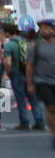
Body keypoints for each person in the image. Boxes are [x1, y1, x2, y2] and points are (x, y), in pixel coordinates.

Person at [1, 23, 43, 130]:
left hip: (16, 73)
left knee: (20, 99)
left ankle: (24, 122)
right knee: (33, 98)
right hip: (29, 72)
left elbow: (9, 63)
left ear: (6, 33)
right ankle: (39, 121)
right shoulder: (25, 42)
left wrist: (8, 73)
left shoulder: (9, 45)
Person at [28, 20, 55, 149]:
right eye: (42, 28)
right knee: (51, 108)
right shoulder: (35, 45)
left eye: (47, 28)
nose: (44, 30)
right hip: (42, 81)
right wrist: (30, 83)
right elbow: (30, 65)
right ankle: (54, 133)